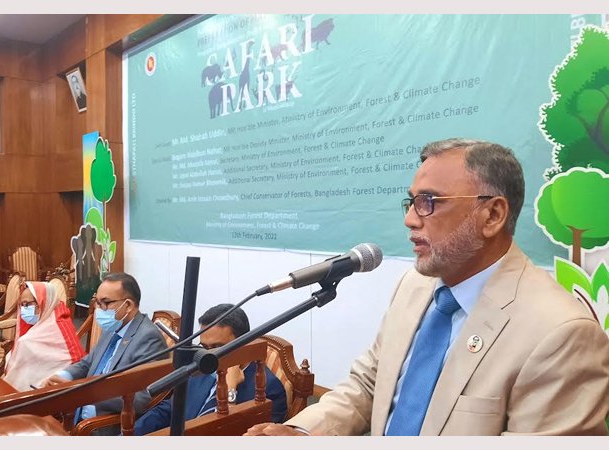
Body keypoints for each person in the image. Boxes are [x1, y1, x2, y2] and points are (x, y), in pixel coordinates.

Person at [246, 138, 609, 436]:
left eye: (429, 202)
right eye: (411, 202)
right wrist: (303, 433)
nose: (409, 219)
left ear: (493, 215)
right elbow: (370, 384)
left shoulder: (560, 334)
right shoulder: (415, 286)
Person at [134, 304, 288, 435]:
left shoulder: (268, 389)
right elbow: (170, 409)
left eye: (218, 347)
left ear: (244, 342)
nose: (210, 355)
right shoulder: (203, 365)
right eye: (205, 347)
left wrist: (230, 391)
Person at [43, 272, 167, 435]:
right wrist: (63, 376)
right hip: (77, 413)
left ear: (128, 305)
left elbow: (142, 398)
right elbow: (88, 363)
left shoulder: (148, 338)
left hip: (104, 426)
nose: (99, 309)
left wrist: (86, 393)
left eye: (106, 303)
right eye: (97, 302)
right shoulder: (114, 326)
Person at [2, 281, 86, 391]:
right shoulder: (55, 315)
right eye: (22, 305)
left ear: (43, 302)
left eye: (27, 304)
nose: (23, 309)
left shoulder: (58, 323)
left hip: (58, 387)